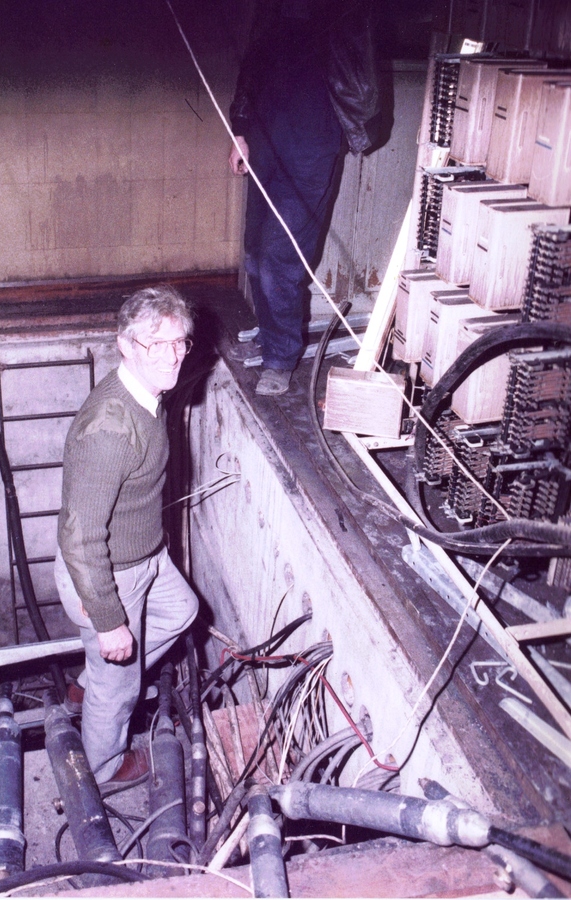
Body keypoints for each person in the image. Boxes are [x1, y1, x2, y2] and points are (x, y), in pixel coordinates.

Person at [54, 285, 199, 788]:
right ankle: (105, 768)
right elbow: (81, 535)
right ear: (125, 345)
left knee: (181, 612)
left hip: (144, 556)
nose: (172, 355)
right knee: (117, 691)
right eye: (154, 345)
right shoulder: (113, 429)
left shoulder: (147, 397)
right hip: (106, 573)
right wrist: (111, 623)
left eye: (179, 342)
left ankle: (89, 683)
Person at [228, 0, 379, 396]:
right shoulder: (272, 11)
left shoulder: (345, 13)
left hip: (311, 152)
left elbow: (364, 86)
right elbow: (252, 66)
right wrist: (240, 131)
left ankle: (281, 359)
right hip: (264, 143)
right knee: (254, 256)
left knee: (280, 259)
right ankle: (271, 337)